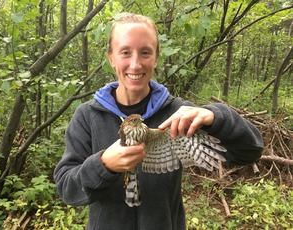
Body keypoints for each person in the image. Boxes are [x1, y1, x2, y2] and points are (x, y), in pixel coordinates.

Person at [54, 13, 263, 230]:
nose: (135, 64)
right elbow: (67, 189)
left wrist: (216, 117)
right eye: (125, 52)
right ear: (111, 58)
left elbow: (250, 151)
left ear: (156, 58)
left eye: (145, 52)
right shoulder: (87, 116)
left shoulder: (178, 113)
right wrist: (103, 165)